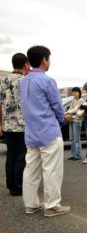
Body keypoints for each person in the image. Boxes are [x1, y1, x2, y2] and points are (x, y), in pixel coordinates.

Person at [19, 45, 70, 217]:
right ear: (44, 60)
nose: (49, 62)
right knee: (52, 170)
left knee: (31, 169)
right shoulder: (47, 80)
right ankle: (52, 205)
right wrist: (62, 120)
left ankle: (31, 204)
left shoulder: (23, 81)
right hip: (48, 131)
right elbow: (57, 106)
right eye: (49, 58)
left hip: (31, 132)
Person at [0, 53, 30, 196]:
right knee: (20, 156)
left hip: (7, 125)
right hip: (22, 125)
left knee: (11, 154)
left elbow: (0, 104)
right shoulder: (26, 80)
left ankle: (11, 185)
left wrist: (0, 124)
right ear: (25, 64)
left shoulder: (3, 80)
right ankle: (18, 186)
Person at [65, 87, 85, 161]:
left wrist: (66, 112)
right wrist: (67, 111)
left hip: (77, 121)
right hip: (72, 120)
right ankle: (73, 154)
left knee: (76, 139)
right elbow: (70, 109)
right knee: (72, 139)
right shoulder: (73, 100)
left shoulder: (81, 100)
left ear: (79, 93)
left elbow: (75, 109)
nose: (74, 93)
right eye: (73, 92)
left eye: (76, 92)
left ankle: (78, 155)